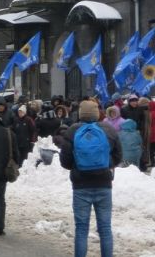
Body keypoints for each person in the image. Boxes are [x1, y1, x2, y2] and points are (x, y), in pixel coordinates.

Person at [60, 101, 122, 257]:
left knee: (81, 229)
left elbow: (65, 161)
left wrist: (78, 165)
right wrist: (105, 164)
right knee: (105, 228)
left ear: (80, 114)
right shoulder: (108, 129)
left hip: (80, 186)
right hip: (104, 184)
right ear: (97, 113)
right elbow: (118, 156)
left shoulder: (72, 131)